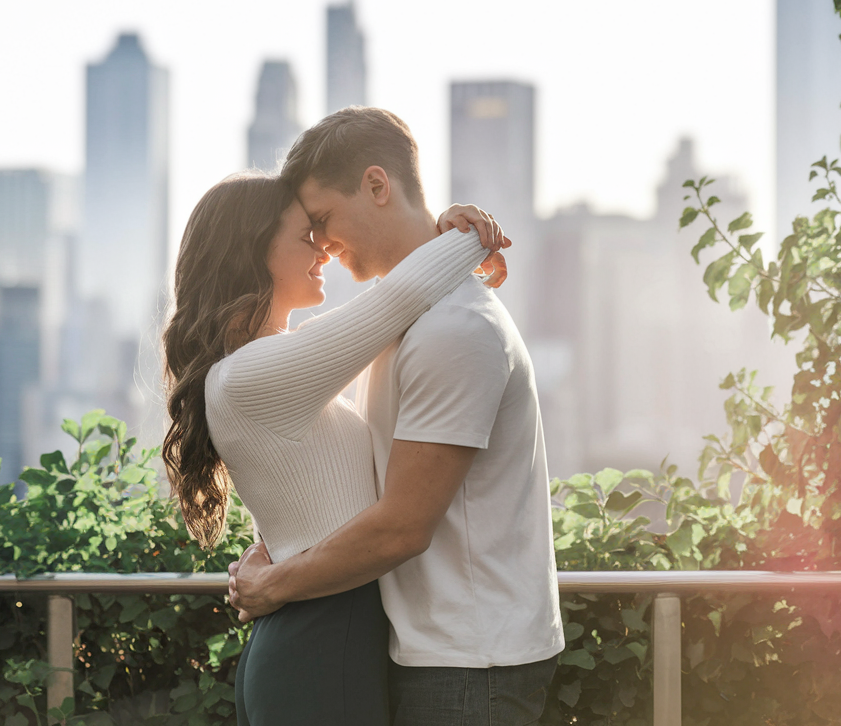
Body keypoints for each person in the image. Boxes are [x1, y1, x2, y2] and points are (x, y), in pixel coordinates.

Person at [227, 106, 565, 726]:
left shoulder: (454, 329)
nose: (321, 246)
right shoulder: (401, 322)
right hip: (430, 648)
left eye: (323, 220)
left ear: (377, 186)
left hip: (469, 664)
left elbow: (403, 526)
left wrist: (276, 585)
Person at [161, 166, 509, 725]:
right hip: (324, 639)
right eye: (307, 235)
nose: (323, 249)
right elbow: (403, 297)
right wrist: (470, 235)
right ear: (254, 252)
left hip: (310, 637)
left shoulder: (259, 372)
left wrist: (438, 232)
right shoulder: (257, 374)